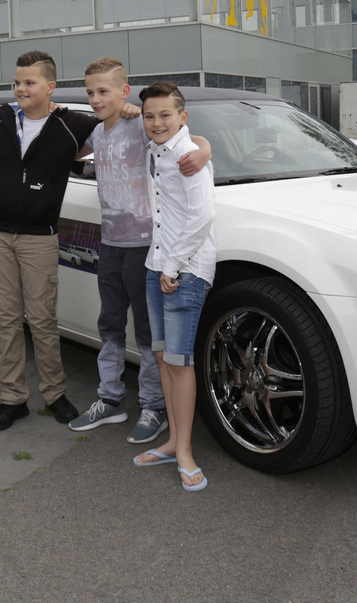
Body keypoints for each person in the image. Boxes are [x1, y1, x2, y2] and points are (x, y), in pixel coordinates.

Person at [68, 57, 210, 444]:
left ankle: (153, 405)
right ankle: (110, 398)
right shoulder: (96, 133)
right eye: (90, 93)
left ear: (124, 91)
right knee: (110, 324)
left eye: (104, 91)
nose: (96, 99)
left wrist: (205, 148)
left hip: (145, 247)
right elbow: (67, 147)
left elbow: (185, 135)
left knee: (147, 334)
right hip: (110, 244)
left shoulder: (141, 124)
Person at [0, 51, 103, 431]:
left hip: (39, 238)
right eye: (17, 82)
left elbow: (120, 126)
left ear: (50, 86)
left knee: (42, 319)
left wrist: (199, 144)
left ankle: (54, 393)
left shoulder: (74, 124)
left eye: (29, 82)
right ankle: (13, 399)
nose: (21, 89)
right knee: (6, 319)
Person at [132, 82, 215, 492]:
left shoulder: (188, 155)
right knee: (163, 356)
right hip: (157, 264)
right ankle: (171, 442)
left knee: (181, 363)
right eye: (149, 115)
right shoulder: (155, 149)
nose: (156, 122)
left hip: (185, 269)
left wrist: (174, 265)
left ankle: (184, 451)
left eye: (166, 114)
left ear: (182, 117)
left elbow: (202, 217)